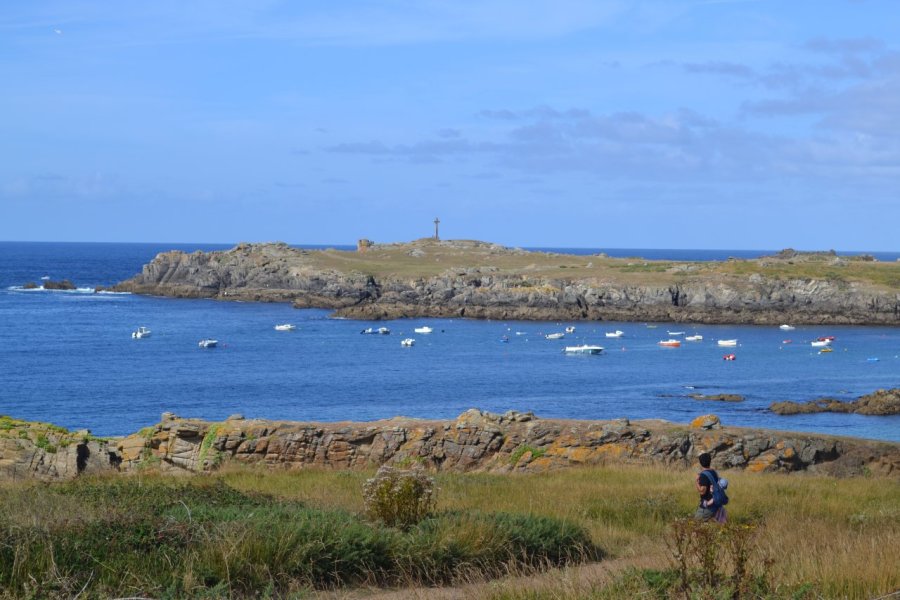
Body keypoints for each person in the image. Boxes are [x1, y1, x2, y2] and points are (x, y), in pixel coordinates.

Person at [694, 452, 726, 522]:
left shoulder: (703, 476)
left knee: (696, 524)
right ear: (710, 461)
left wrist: (696, 481)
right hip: (716, 504)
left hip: (707, 507)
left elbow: (702, 491)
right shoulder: (713, 472)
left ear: (700, 463)